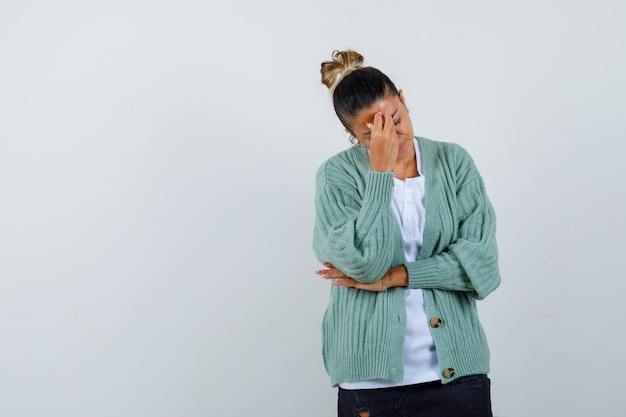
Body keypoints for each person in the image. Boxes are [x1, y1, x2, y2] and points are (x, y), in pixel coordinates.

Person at [313, 50, 501, 417]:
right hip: (371, 387)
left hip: (458, 376)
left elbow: (483, 266)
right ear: (351, 134)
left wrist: (400, 276)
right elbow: (365, 265)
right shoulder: (335, 176)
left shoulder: (453, 161)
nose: (391, 134)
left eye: (395, 118)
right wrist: (380, 172)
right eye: (371, 132)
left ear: (402, 96)